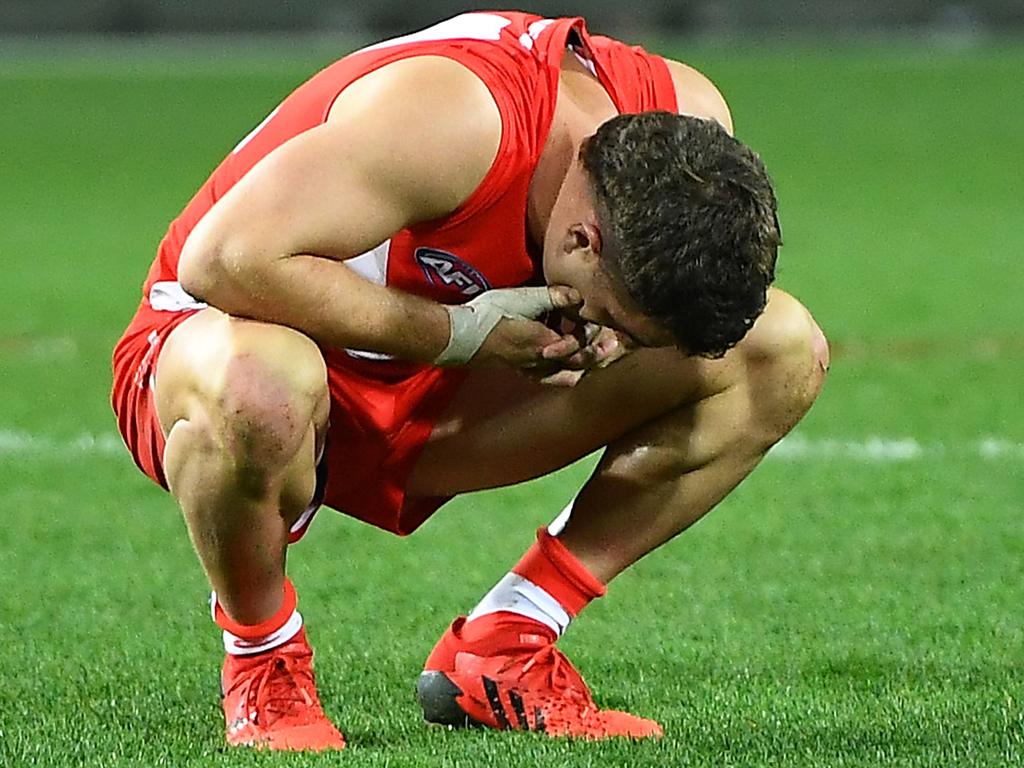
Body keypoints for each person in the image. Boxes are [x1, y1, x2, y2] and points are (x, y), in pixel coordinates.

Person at [111, 9, 829, 751]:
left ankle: (507, 646)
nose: (611, 346)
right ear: (583, 237)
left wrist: (505, 338)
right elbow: (221, 262)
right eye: (611, 318)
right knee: (261, 389)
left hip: (430, 379)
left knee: (777, 349)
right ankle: (263, 658)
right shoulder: (457, 119)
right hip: (221, 348)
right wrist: (454, 333)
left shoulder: (693, 119)